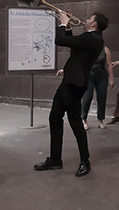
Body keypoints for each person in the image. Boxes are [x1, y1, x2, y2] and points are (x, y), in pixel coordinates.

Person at [35, 11, 109, 177]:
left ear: (94, 24)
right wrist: (68, 26)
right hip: (70, 81)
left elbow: (60, 40)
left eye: (89, 18)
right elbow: (73, 44)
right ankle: (55, 159)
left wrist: (62, 23)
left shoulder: (91, 38)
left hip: (75, 84)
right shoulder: (92, 38)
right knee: (54, 117)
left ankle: (85, 161)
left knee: (75, 121)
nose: (86, 19)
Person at [81, 42, 114, 130]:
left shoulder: (105, 49)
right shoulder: (86, 49)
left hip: (101, 76)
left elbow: (109, 64)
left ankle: (101, 120)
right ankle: (83, 119)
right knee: (87, 98)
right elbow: (78, 62)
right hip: (89, 76)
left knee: (102, 98)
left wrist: (111, 78)